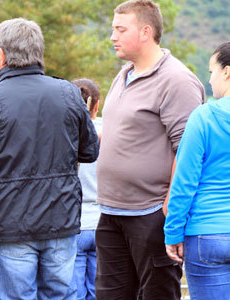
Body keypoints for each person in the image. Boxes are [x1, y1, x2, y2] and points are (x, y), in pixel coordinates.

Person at [0, 18, 99, 299]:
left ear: (2, 55)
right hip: (61, 216)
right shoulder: (69, 93)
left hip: (9, 221)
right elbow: (90, 150)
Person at [95, 0, 205, 298]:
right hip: (110, 210)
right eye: (112, 29)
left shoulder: (177, 80)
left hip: (151, 213)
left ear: (145, 32)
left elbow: (188, 149)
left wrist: (169, 207)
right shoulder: (124, 73)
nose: (112, 36)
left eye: (120, 29)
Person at [164, 42, 230, 299]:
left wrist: (173, 232)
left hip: (206, 233)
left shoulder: (203, 117)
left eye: (212, 71)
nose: (210, 80)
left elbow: (184, 182)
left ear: (227, 72)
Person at [70, 78, 102, 300]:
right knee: (99, 290)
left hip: (74, 221)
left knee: (74, 292)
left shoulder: (64, 133)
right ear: (97, 105)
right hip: (102, 221)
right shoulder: (109, 131)